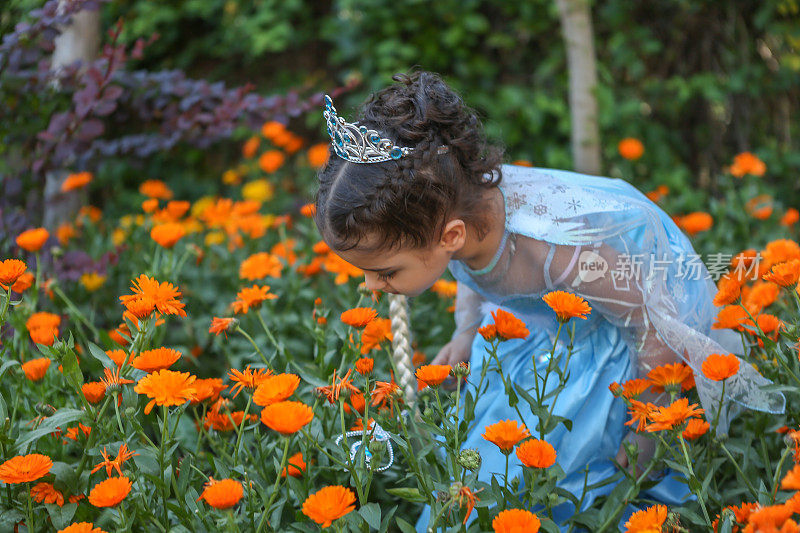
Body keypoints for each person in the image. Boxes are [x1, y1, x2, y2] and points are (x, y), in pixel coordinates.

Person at [313, 69, 784, 531]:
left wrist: (648, 429)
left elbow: (649, 319)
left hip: (621, 345)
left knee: (565, 481)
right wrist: (464, 331)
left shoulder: (552, 251)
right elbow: (468, 274)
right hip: (541, 332)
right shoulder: (457, 221)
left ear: (450, 235)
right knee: (483, 472)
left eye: (385, 272)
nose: (373, 287)